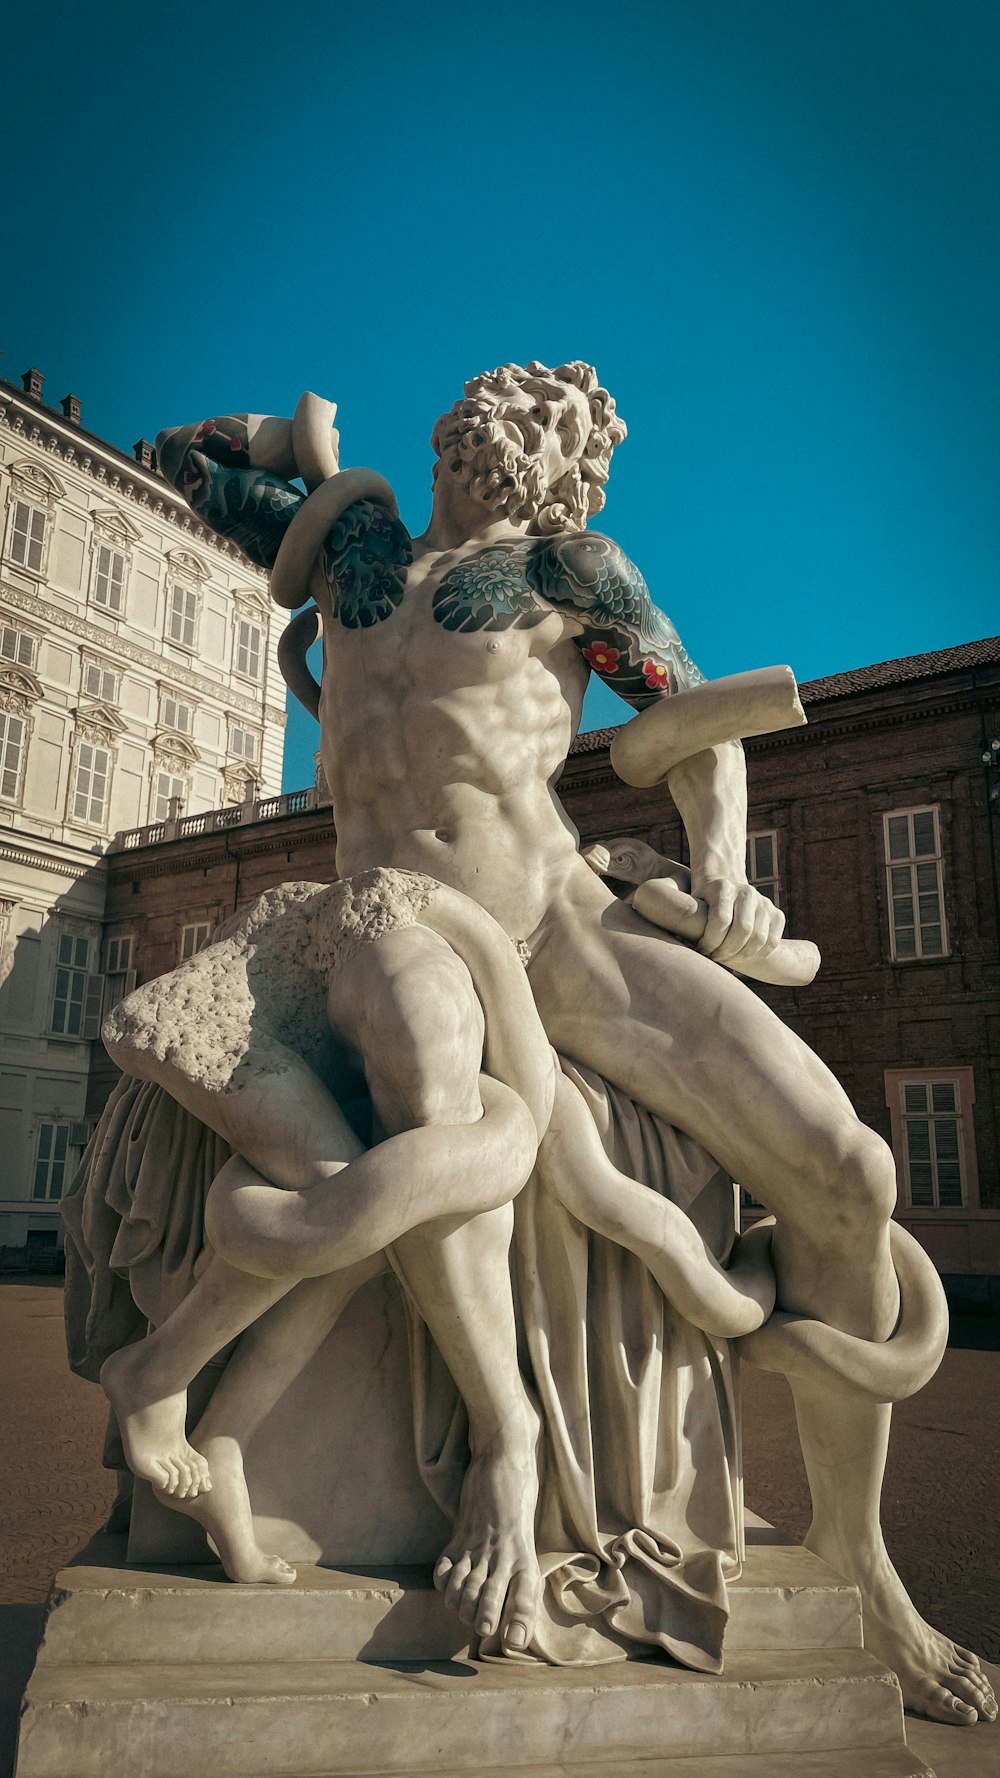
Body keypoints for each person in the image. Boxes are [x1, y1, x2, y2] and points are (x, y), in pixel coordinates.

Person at [127, 362, 992, 1721]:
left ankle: (860, 1556)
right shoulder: (350, 552)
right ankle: (503, 1448)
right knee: (426, 1069)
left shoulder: (571, 570)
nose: (511, 433)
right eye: (501, 414)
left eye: (543, 426)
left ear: (564, 462)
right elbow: (173, 458)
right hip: (390, 923)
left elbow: (693, 724)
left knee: (848, 1167)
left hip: (556, 925)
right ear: (452, 434)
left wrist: (721, 867)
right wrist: (282, 442)